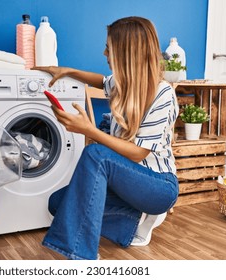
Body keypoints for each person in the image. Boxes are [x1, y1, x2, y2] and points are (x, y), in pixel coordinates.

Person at [33, 16, 179, 260]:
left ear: (126, 54)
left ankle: (82, 257)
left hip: (158, 186)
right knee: (58, 204)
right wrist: (68, 71)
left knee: (96, 154)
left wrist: (90, 131)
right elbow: (100, 80)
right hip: (125, 185)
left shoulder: (162, 94)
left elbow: (138, 153)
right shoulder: (123, 84)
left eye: (108, 48)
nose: (104, 53)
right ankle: (133, 224)